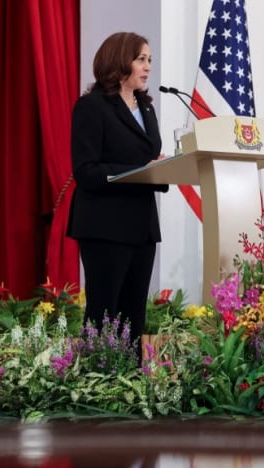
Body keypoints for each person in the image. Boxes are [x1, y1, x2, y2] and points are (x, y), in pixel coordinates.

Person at [67, 32, 168, 357]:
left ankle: (130, 387)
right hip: (104, 226)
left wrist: (165, 169)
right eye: (141, 59)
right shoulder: (92, 107)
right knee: (104, 311)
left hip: (141, 225)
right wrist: (138, 169)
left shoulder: (147, 108)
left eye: (149, 60)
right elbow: (86, 170)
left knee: (134, 313)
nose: (148, 66)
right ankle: (97, 385)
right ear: (119, 60)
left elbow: (149, 158)